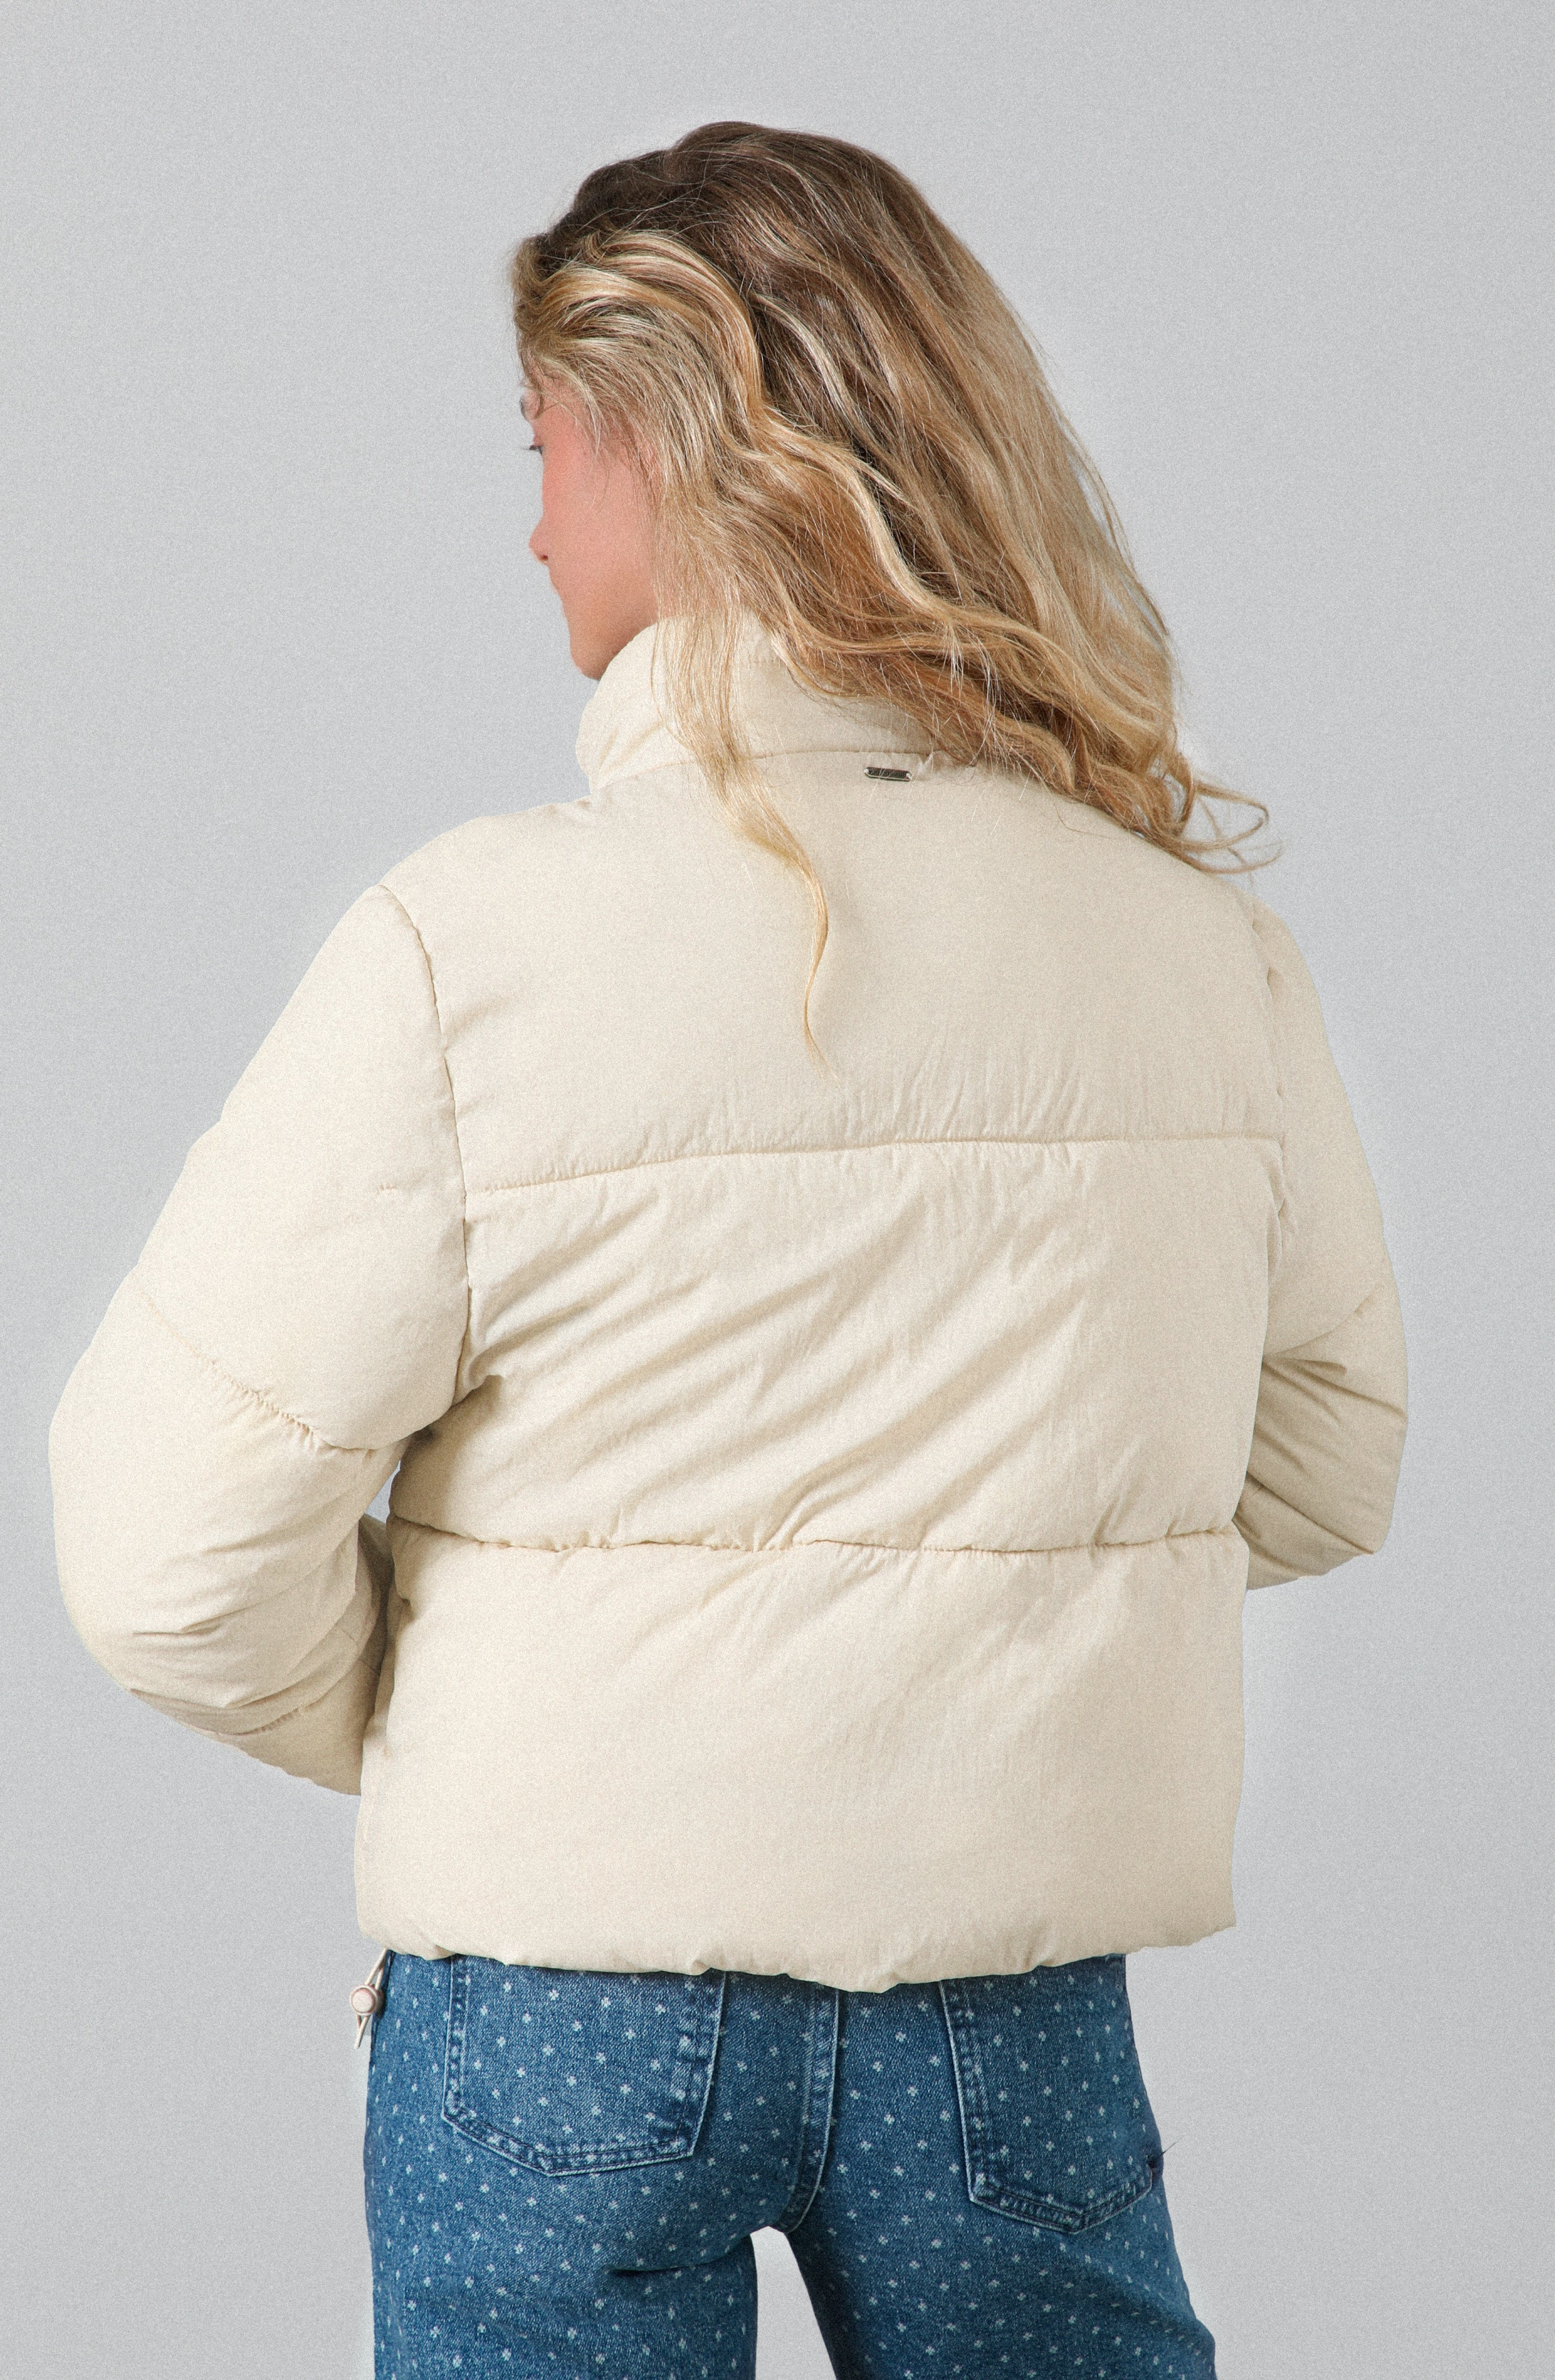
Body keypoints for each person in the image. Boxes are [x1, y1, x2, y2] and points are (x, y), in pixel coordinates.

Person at [49, 122, 1407, 2380]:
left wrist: (522, 1717)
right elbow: (1328, 1461)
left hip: (564, 2007)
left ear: (669, 449)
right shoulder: (1194, 954)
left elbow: (169, 1558)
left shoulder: (466, 948)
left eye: (542, 446)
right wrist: (976, 1626)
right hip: (1003, 2004)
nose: (527, 521)